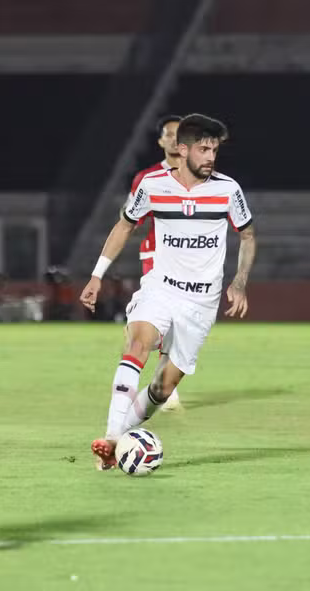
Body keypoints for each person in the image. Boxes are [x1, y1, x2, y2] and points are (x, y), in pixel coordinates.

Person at [80, 113, 257, 469]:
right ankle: (112, 436)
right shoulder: (152, 186)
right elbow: (124, 226)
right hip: (161, 288)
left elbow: (248, 235)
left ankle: (119, 440)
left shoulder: (227, 189)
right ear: (182, 149)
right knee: (138, 342)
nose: (210, 157)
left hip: (202, 302)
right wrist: (97, 275)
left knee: (162, 389)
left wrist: (239, 281)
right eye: (204, 150)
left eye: (214, 151)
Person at [131, 114, 184, 410]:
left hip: (189, 259)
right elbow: (131, 218)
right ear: (161, 141)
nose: (175, 140)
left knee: (180, 321)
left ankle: (163, 381)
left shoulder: (200, 175)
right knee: (161, 314)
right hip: (156, 254)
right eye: (169, 135)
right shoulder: (147, 177)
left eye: (181, 135)